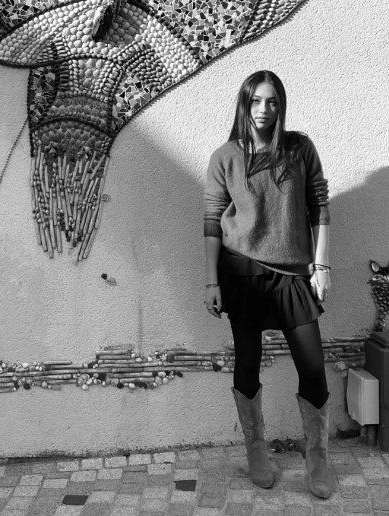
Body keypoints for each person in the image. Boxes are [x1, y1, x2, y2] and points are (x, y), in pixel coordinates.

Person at [204, 70, 333, 498]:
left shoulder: (299, 148)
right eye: (256, 101)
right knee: (247, 361)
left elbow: (319, 205)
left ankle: (318, 455)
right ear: (245, 104)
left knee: (312, 367)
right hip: (242, 272)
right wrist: (211, 281)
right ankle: (256, 449)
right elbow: (212, 221)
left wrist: (321, 266)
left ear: (281, 105)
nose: (264, 109)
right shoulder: (226, 156)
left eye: (272, 101)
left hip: (293, 273)